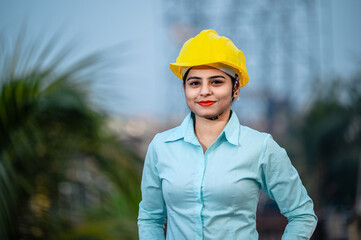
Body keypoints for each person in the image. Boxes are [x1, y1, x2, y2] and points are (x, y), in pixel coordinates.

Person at [137, 29, 317, 239]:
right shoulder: (161, 147)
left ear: (236, 88)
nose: (204, 91)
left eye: (216, 82)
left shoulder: (260, 147)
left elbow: (302, 215)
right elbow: (150, 218)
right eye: (195, 82)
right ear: (184, 88)